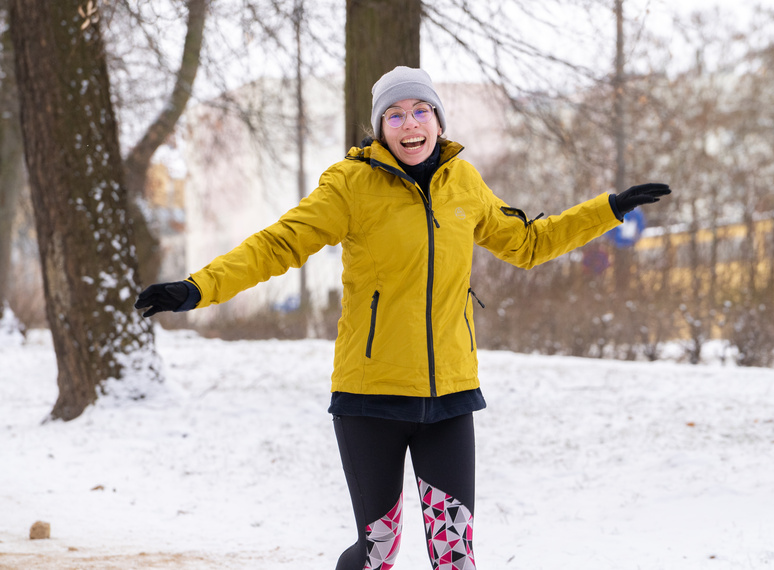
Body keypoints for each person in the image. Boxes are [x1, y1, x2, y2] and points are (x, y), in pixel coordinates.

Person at [135, 66, 671, 570]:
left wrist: (609, 208)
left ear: (438, 121)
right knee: (378, 548)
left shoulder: (464, 183)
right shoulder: (350, 184)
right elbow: (280, 244)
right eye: (396, 115)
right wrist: (197, 287)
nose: (410, 123)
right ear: (381, 128)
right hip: (372, 397)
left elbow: (529, 243)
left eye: (420, 111)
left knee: (455, 552)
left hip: (450, 396)